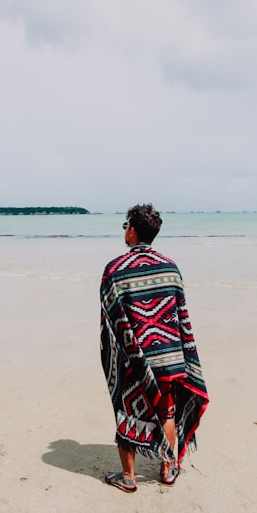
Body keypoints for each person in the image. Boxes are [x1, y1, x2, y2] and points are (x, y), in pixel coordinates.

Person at [99, 204, 209, 493]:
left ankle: (129, 478)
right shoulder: (171, 268)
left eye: (126, 226)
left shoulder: (114, 270)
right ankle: (167, 469)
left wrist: (119, 357)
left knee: (126, 412)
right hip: (169, 358)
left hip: (133, 360)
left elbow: (111, 322)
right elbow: (181, 316)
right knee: (167, 413)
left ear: (132, 230)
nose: (126, 231)